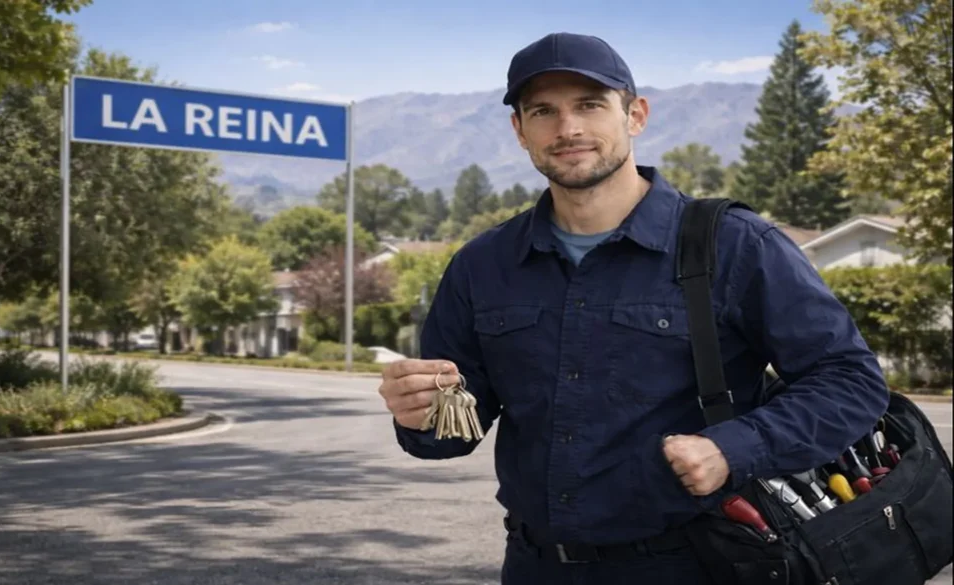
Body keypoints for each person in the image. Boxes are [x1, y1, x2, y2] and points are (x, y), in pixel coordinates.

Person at [377, 31, 890, 584]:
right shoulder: (484, 265)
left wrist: (734, 448)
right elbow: (455, 427)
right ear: (519, 131)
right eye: (544, 111)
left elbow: (849, 381)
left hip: (702, 563)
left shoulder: (735, 245)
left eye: (590, 105)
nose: (568, 128)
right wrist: (421, 414)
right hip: (536, 567)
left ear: (636, 115)